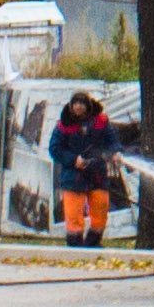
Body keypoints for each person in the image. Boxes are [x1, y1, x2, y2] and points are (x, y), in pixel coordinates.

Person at [48, 89, 115, 249]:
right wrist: (73, 159)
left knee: (100, 211)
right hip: (73, 177)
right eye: (75, 103)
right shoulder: (63, 125)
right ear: (71, 106)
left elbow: (112, 140)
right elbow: (55, 149)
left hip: (97, 175)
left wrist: (115, 152)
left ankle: (93, 244)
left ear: (89, 104)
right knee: (73, 216)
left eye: (82, 103)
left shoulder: (101, 121)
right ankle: (75, 247)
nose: (78, 106)